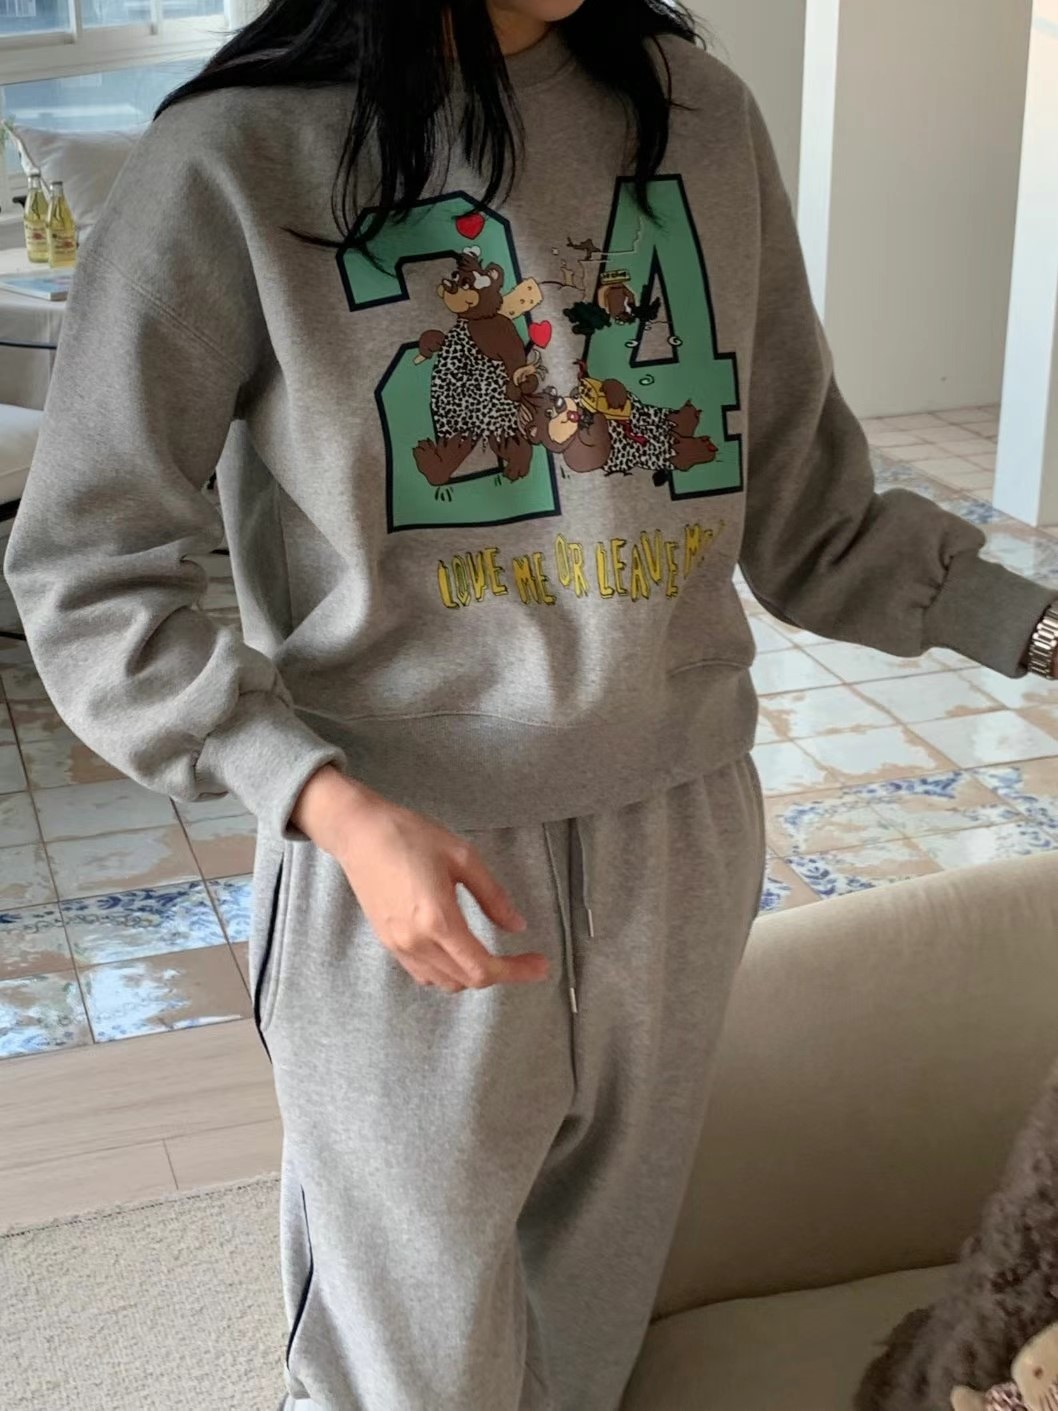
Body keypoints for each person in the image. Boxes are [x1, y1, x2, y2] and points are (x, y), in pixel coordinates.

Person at [5, 1, 1058, 1408]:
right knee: (408, 1362)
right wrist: (322, 803)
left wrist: (1041, 630)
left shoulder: (700, 119)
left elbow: (813, 516)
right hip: (399, 861)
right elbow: (86, 566)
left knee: (590, 1330)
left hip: (679, 845)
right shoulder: (235, 154)